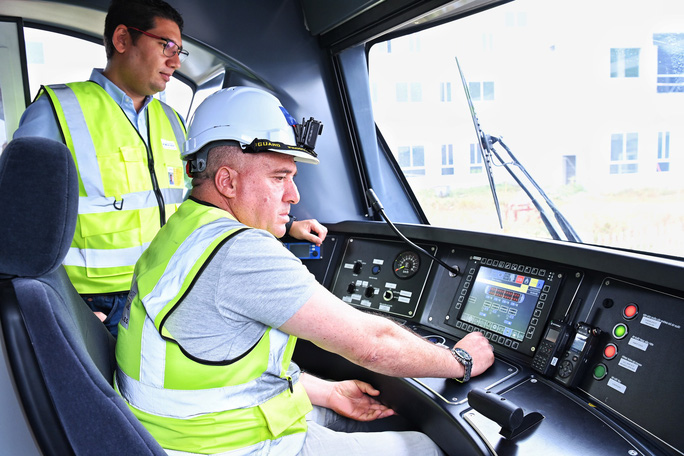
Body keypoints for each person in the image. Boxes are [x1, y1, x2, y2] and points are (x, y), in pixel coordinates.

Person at [114, 86, 495, 455]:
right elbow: (374, 345)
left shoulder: (185, 228)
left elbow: (223, 366)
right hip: (223, 445)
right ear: (227, 181)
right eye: (279, 178)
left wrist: (328, 392)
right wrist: (459, 362)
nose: (294, 196)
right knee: (426, 448)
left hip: (179, 431)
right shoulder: (240, 250)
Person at [12, 0, 325, 336]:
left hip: (167, 287)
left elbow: (209, 196)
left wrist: (285, 224)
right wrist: (62, 305)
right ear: (121, 40)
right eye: (167, 46)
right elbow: (20, 222)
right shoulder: (58, 110)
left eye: (180, 51)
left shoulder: (174, 122)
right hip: (94, 304)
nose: (175, 61)